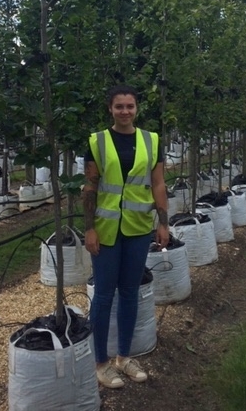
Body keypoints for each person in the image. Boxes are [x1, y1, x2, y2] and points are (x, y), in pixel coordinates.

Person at [82, 84, 169, 389]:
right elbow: (91, 187)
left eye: (130, 106)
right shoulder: (98, 141)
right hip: (106, 230)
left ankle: (124, 357)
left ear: (137, 108)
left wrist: (163, 221)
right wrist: (89, 227)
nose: (125, 112)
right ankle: (101, 363)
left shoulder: (152, 140)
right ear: (110, 108)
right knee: (104, 295)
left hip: (138, 227)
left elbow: (158, 183)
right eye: (119, 106)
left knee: (130, 292)